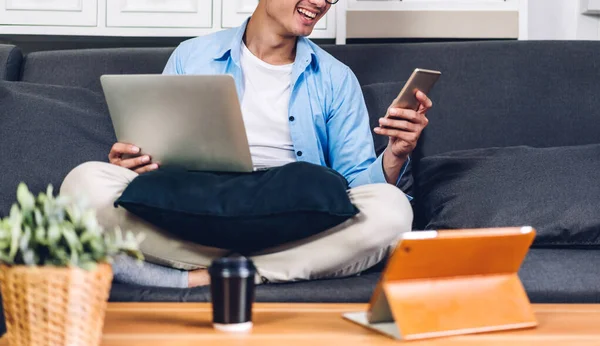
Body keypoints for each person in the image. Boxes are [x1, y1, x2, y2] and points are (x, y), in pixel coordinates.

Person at [60, 0, 432, 288]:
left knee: (393, 211)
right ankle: (260, 269)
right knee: (83, 183)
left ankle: (220, 274)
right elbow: (157, 159)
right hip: (199, 206)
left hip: (294, 216)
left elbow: (357, 187)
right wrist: (130, 164)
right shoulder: (192, 56)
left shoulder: (336, 79)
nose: (320, 3)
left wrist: (395, 156)